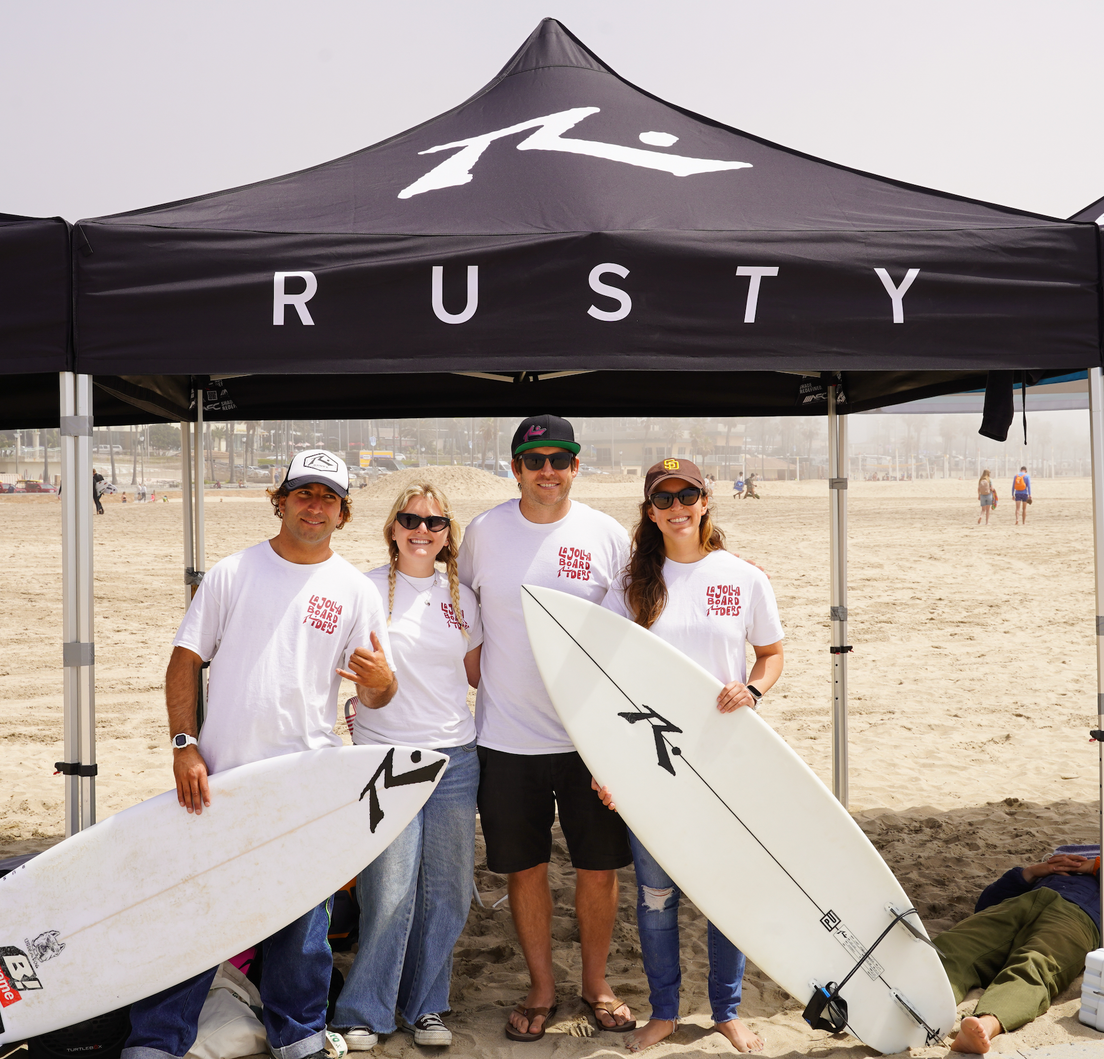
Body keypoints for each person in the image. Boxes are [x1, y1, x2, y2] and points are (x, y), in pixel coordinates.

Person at [123, 449, 397, 1059]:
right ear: (281, 500)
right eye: (304, 493)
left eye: (328, 497)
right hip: (220, 779)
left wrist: (378, 679)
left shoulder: (354, 590)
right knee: (197, 913)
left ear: (343, 512)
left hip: (305, 782)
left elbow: (378, 693)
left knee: (303, 923)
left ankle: (296, 1034)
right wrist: (184, 746)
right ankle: (157, 1040)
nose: (315, 506)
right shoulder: (233, 572)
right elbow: (184, 660)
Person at [594, 458, 782, 1054]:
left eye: (688, 494)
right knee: (656, 897)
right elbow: (601, 679)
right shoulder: (630, 585)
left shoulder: (743, 577)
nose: (677, 505)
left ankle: (726, 1010)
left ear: (706, 502)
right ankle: (666, 1011)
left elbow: (772, 653)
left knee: (728, 892)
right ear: (650, 511)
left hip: (726, 759)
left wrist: (752, 688)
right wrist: (606, 765)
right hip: (652, 762)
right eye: (664, 497)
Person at [458, 414, 635, 1042]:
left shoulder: (606, 535)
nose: (548, 472)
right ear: (516, 468)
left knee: (598, 867)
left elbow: (629, 632)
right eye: (535, 461)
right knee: (524, 867)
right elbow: (463, 616)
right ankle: (540, 986)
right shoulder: (483, 532)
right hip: (506, 738)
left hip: (589, 739)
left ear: (576, 466)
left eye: (561, 459)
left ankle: (595, 983)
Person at [333, 483, 482, 1052]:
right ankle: (364, 1009)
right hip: (386, 756)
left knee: (447, 892)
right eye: (412, 519)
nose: (424, 530)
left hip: (456, 758)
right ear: (393, 527)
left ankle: (426, 1007)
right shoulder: (364, 589)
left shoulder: (464, 598)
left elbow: (475, 674)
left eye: (436, 521)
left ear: (448, 533)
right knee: (389, 888)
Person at [935, 849, 1104, 1054]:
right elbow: (985, 904)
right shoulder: (1069, 872)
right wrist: (1028, 874)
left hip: (1079, 919)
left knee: (1034, 965)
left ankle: (987, 1024)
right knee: (956, 945)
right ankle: (926, 997)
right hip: (1027, 901)